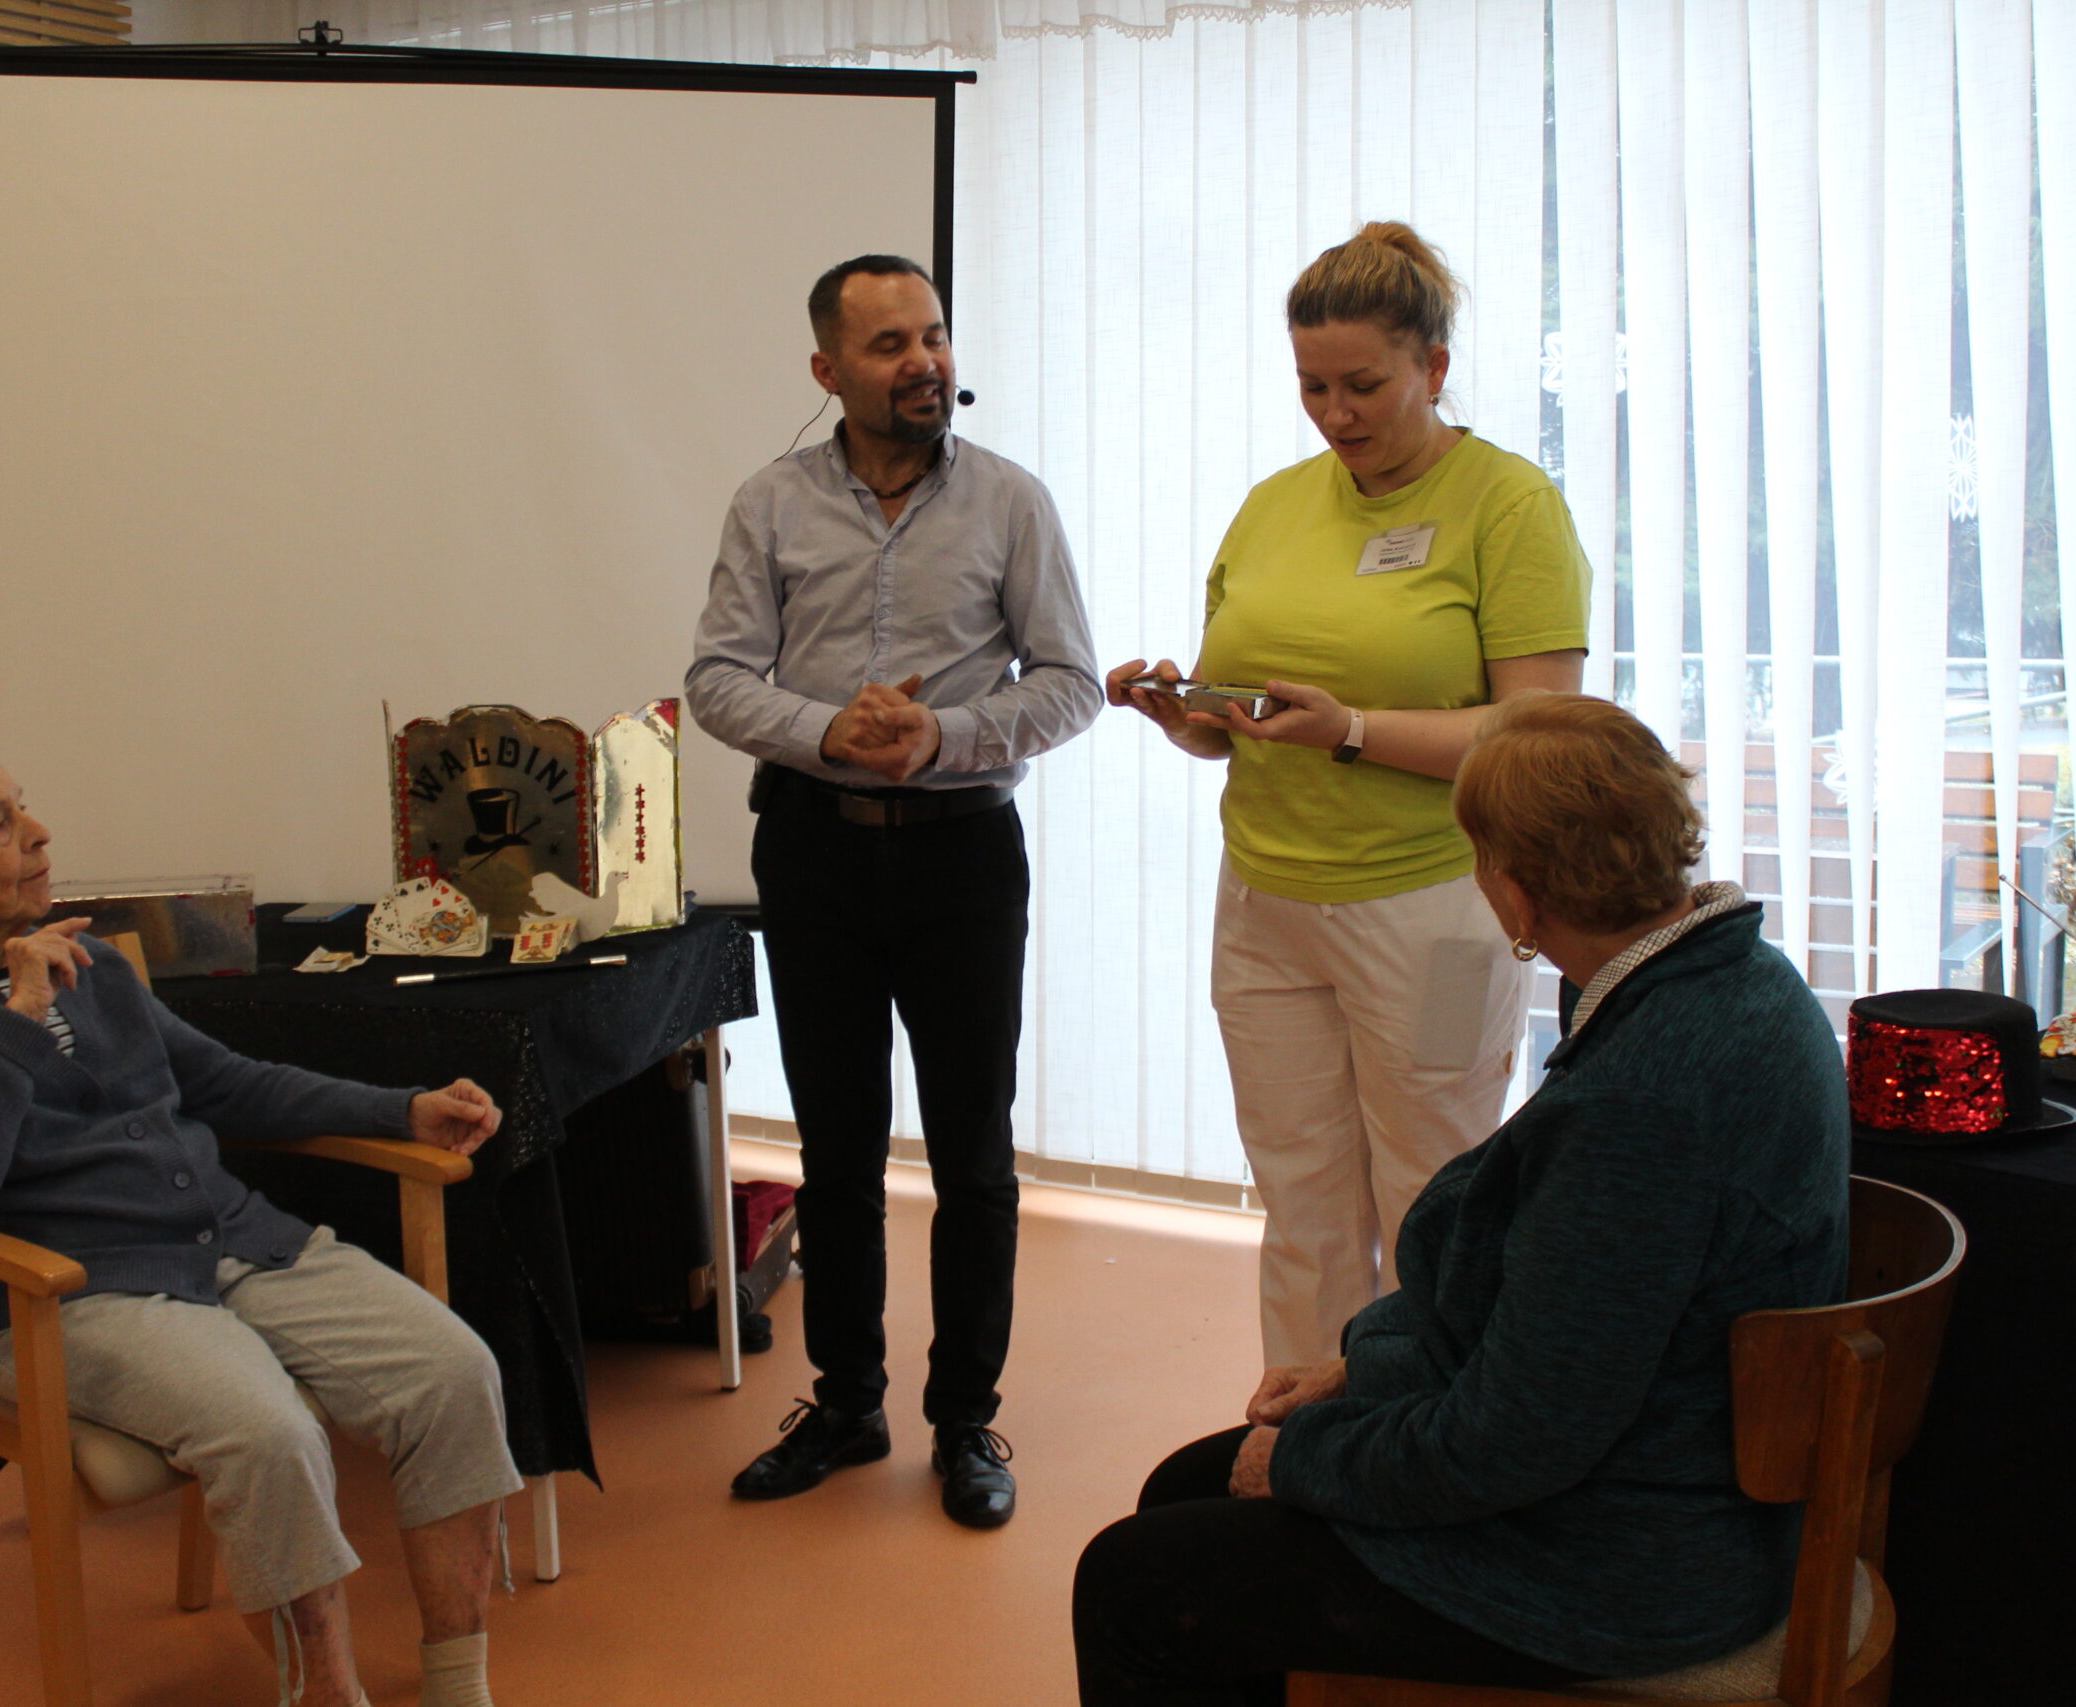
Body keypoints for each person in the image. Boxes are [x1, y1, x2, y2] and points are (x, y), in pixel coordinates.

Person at [1070, 693, 1851, 1706]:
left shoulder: (1638, 1106)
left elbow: (1518, 1442)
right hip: (1664, 1484)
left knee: (1132, 1585)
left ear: (1516, 896)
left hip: (1624, 1564)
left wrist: (1303, 1461)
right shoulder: (1746, 976)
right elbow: (1564, 1323)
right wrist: (1362, 1371)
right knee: (1185, 1491)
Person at [0, 725, 525, 1707]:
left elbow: (225, 1083)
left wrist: (398, 1108)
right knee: (270, 1436)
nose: (39, 831)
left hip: (228, 1243)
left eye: (23, 806)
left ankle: (458, 1685)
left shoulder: (97, 966)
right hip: (61, 1295)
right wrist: (16, 1017)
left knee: (453, 1372)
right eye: (1, 821)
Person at [1106, 221, 1591, 1368]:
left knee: (1436, 1194)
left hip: (1440, 911)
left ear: (1434, 364)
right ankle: (1306, 1435)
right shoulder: (1274, 505)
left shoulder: (1508, 505)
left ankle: (1434, 1437)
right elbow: (1236, 729)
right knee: (1301, 1198)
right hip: (1265, 908)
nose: (1336, 412)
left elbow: (1535, 730)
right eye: (1312, 385)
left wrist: (1354, 732)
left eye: (1363, 384)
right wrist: (1188, 716)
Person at [687, 254, 1100, 1528]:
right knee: (837, 1147)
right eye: (888, 345)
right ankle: (847, 1403)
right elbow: (716, 678)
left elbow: (1071, 683)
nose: (924, 362)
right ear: (827, 369)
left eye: (933, 336)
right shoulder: (768, 503)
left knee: (972, 1155)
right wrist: (828, 730)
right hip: (811, 849)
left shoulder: (1011, 501)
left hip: (962, 853)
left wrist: (943, 737)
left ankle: (964, 1420)